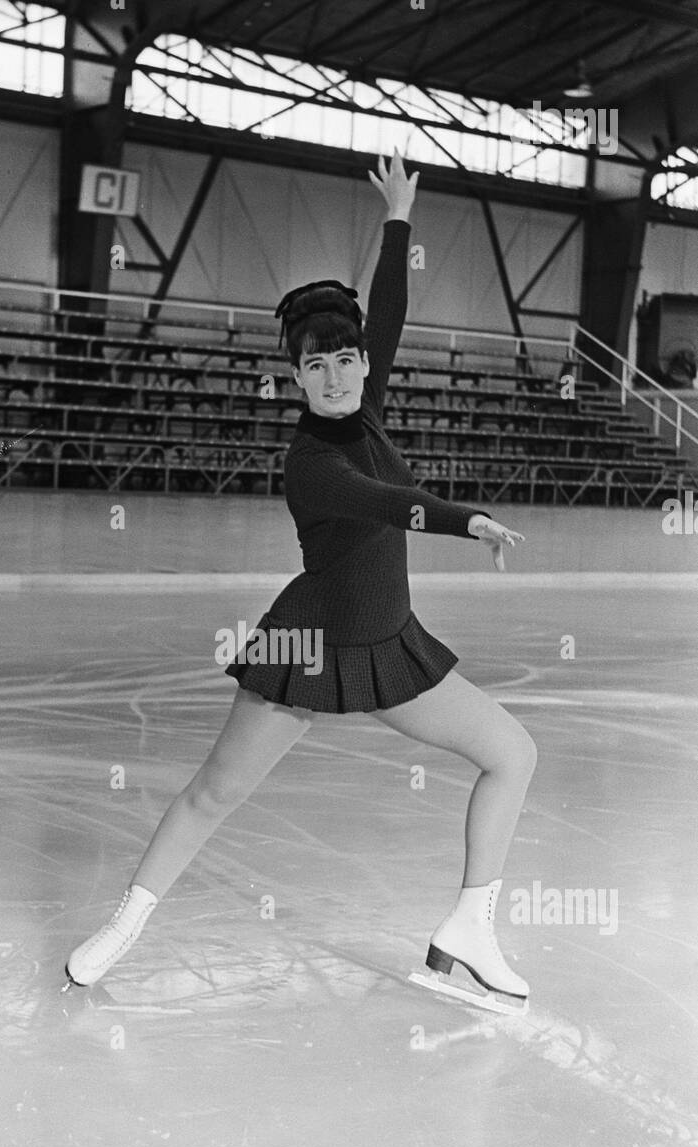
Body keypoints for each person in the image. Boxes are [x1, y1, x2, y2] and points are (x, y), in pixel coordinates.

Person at [64, 150, 537, 1014]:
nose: (336, 374)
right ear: (295, 377)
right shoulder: (309, 462)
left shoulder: (369, 397)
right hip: (308, 642)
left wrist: (396, 220)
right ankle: (123, 927)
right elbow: (387, 501)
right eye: (315, 367)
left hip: (387, 642)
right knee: (215, 791)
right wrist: (467, 518)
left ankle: (470, 927)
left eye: (346, 359)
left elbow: (388, 309)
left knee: (512, 755)